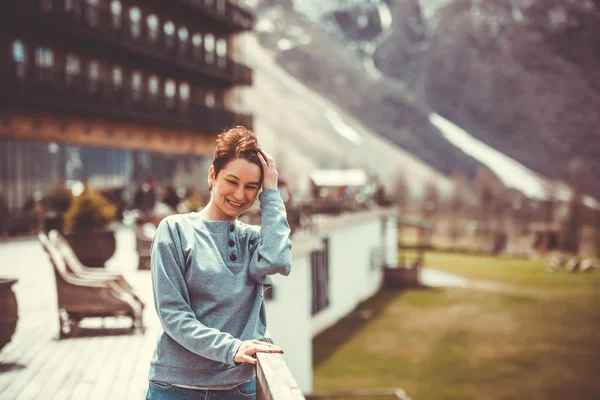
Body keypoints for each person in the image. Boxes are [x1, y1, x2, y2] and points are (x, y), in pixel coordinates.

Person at [146, 126, 292, 400]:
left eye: (251, 187)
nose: (240, 194)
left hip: (236, 388)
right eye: (232, 181)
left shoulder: (252, 240)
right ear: (212, 176)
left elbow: (278, 260)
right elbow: (173, 315)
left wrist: (271, 194)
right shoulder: (175, 231)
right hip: (177, 387)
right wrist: (231, 349)